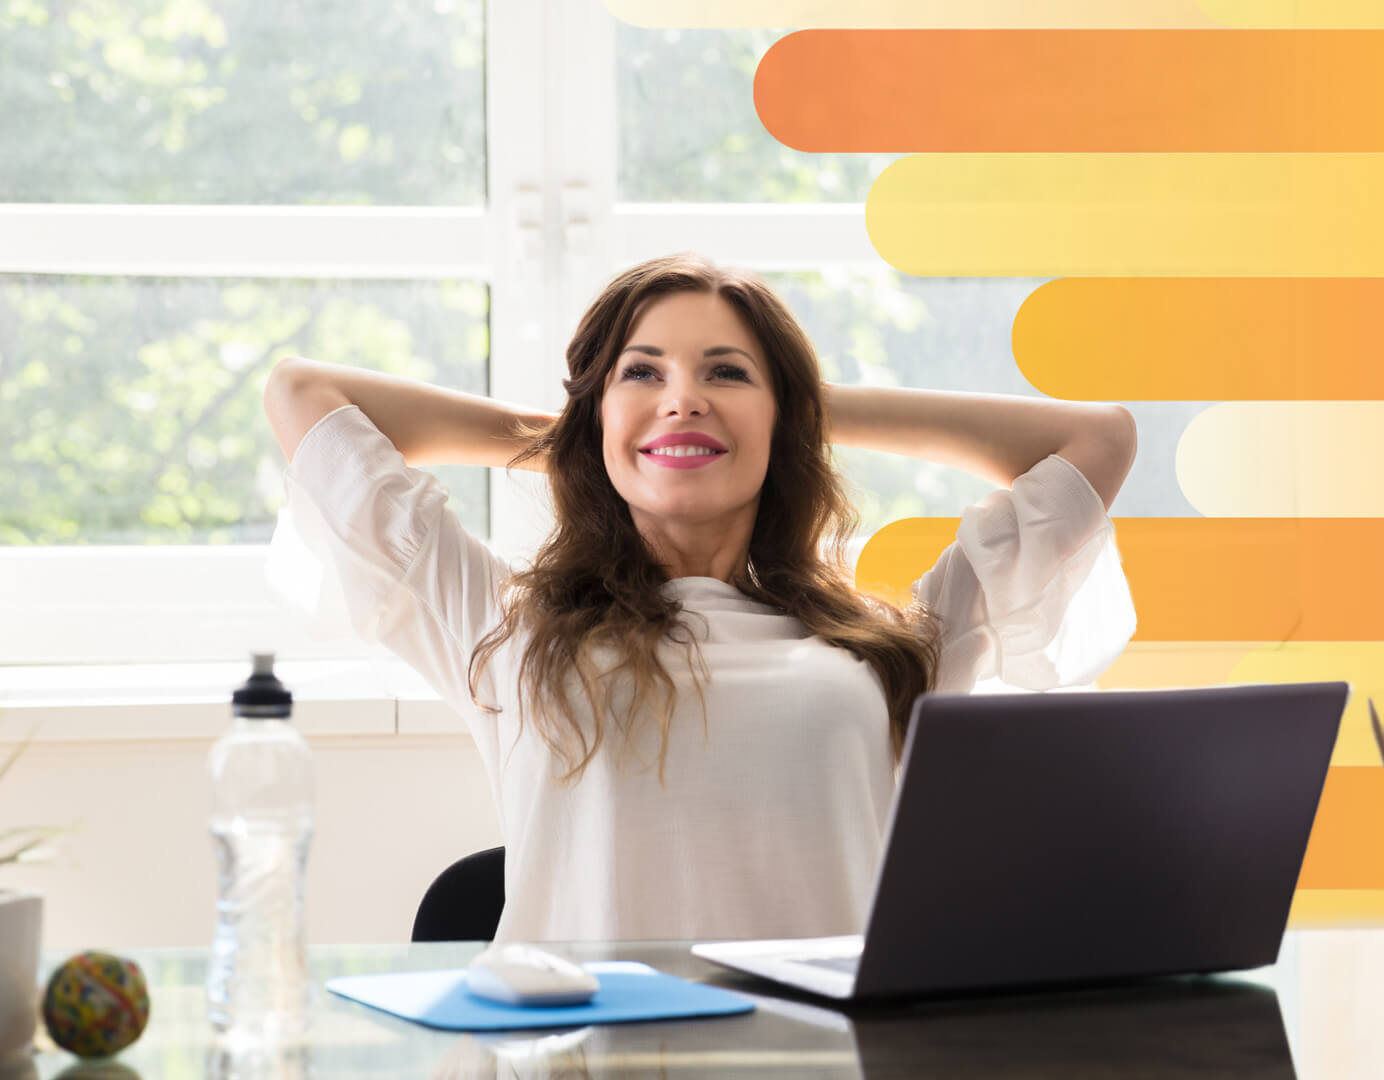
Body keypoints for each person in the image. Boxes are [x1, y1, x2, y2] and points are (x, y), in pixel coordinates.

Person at [263, 253, 1138, 943]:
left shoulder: (897, 650)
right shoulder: (502, 628)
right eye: (642, 373)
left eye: (726, 373)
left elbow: (1095, 438)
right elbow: (304, 395)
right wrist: (585, 434)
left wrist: (795, 409)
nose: (683, 398)